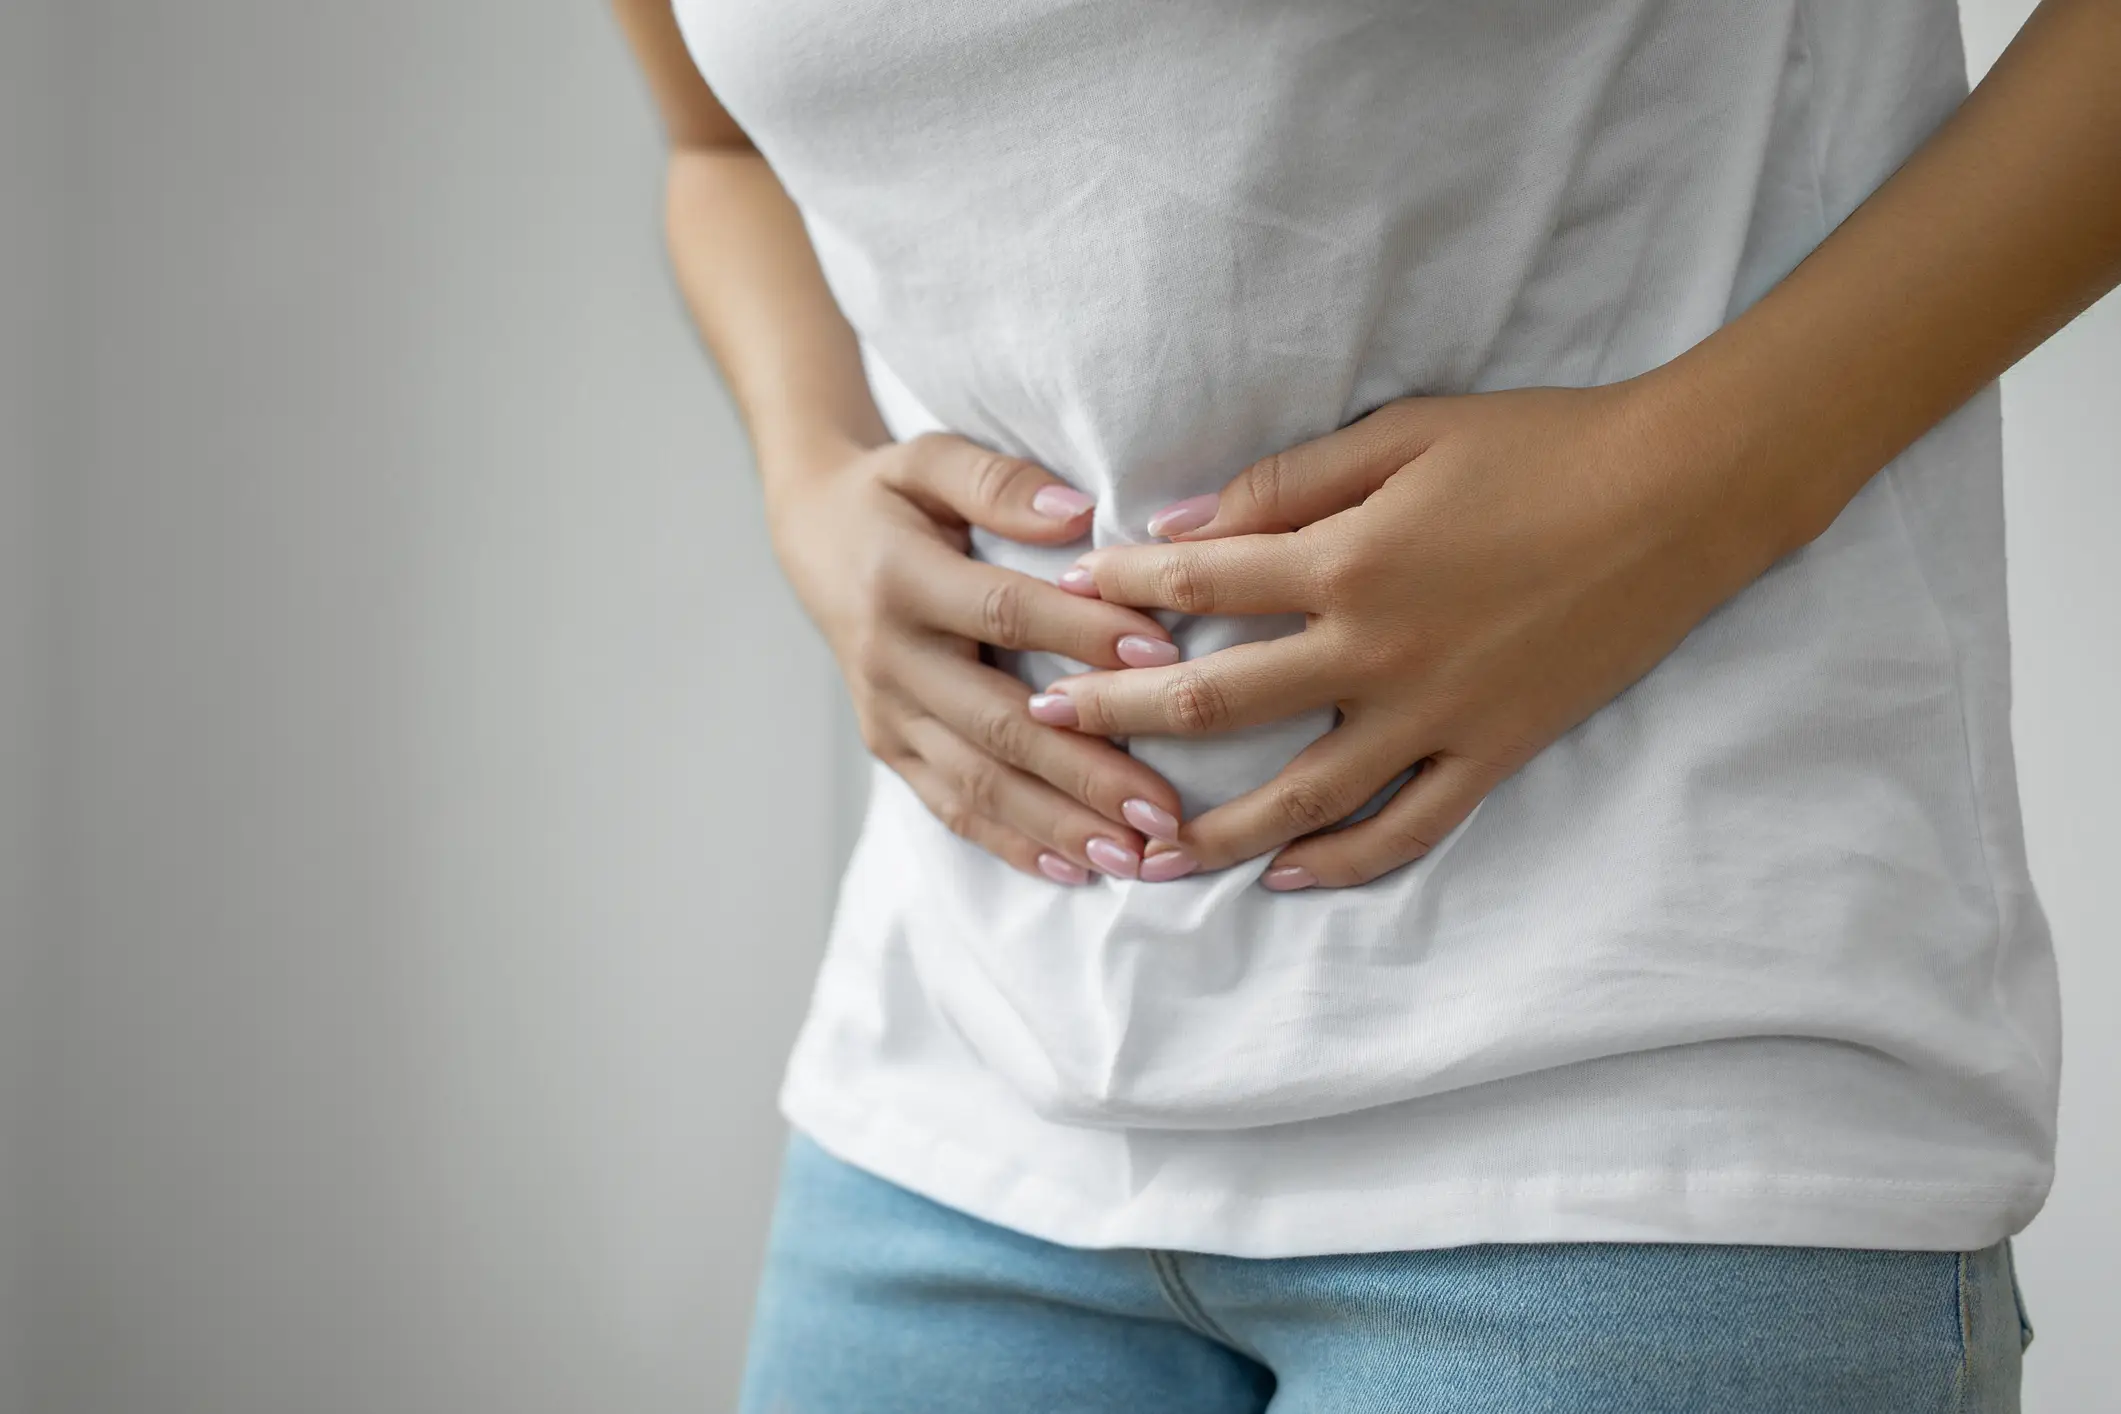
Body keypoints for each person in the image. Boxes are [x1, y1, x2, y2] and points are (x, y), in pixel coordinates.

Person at [612, 0, 2119, 1408]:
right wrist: (808, 477)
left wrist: (1682, 493)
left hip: (1644, 1119)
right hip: (951, 1114)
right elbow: (717, 148)